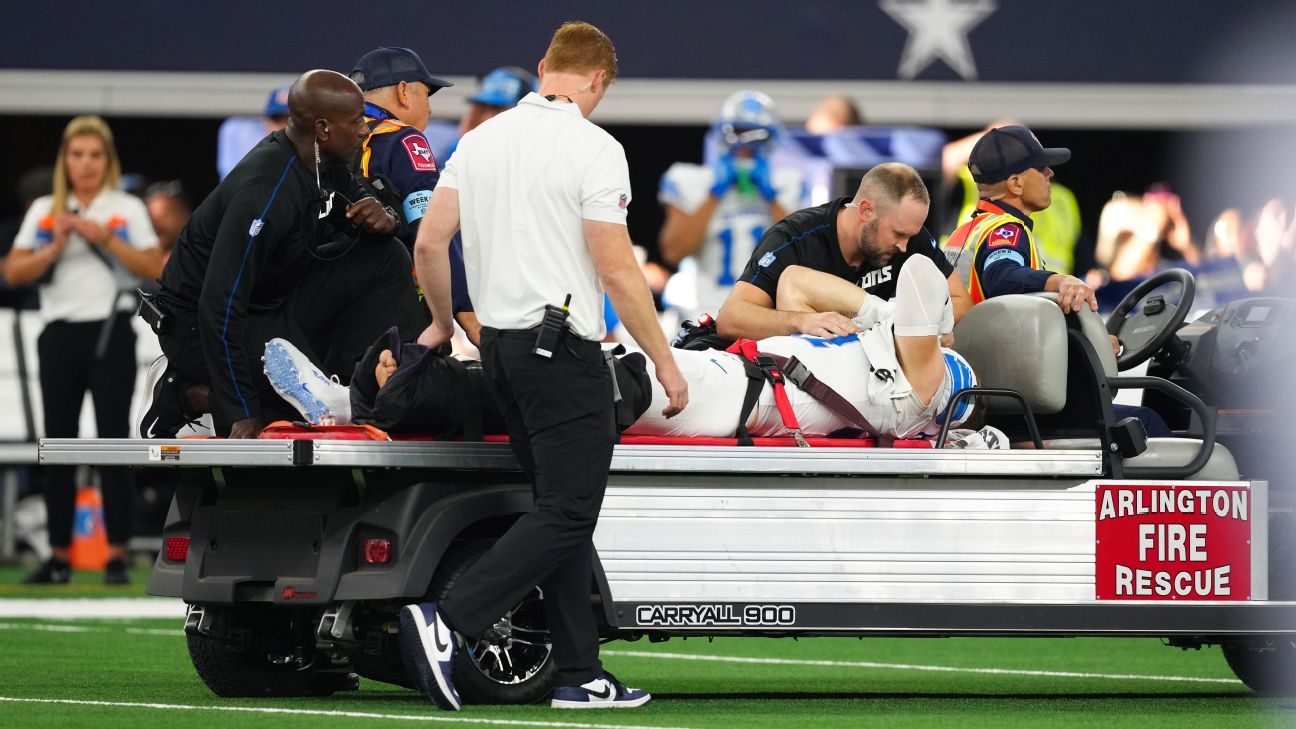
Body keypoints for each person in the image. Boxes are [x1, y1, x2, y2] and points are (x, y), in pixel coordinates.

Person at [403, 21, 687, 711]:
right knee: (566, 510)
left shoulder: (479, 141)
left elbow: (430, 245)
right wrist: (666, 363)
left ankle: (578, 672)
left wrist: (444, 323)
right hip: (560, 353)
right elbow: (618, 269)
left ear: (543, 69)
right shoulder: (595, 147)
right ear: (598, 81)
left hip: (499, 349)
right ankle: (449, 619)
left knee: (559, 510)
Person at [266, 255, 978, 443]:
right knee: (565, 379)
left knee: (586, 384)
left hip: (740, 393)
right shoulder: (896, 359)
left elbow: (921, 275)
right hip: (735, 381)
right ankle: (376, 399)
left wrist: (875, 310)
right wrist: (853, 316)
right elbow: (792, 280)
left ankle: (379, 401)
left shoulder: (921, 382)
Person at [142, 69, 399, 440]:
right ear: (323, 129)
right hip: (195, 324)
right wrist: (239, 412)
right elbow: (218, 305)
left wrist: (376, 208)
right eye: (357, 120)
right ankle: (183, 394)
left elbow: (350, 185)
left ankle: (379, 381)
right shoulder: (264, 191)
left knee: (386, 255)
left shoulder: (320, 160)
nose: (364, 129)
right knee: (282, 414)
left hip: (268, 306)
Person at [3, 116, 161, 585]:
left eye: (94, 155)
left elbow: (153, 265)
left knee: (112, 443)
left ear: (107, 161)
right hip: (60, 333)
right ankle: (58, 556)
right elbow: (13, 271)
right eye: (77, 155)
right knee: (58, 446)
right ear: (64, 161)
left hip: (111, 329)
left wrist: (104, 237)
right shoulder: (46, 210)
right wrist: (53, 247)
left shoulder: (126, 207)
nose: (85, 164)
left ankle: (115, 554)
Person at [715, 162, 971, 342]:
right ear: (866, 211)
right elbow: (730, 319)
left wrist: (925, 326)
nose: (904, 246)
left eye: (910, 236)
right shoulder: (794, 238)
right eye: (897, 234)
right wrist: (798, 322)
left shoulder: (911, 239)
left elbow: (960, 300)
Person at [658, 90, 804, 321]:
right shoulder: (693, 181)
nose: (746, 144)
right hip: (704, 311)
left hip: (766, 310)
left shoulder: (786, 183)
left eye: (757, 135)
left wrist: (771, 197)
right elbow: (674, 252)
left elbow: (800, 254)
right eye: (738, 131)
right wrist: (714, 194)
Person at [944, 125, 1098, 314]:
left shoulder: (966, 231)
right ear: (1016, 184)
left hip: (961, 342)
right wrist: (1059, 280)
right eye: (1041, 168)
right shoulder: (1005, 228)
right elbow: (1000, 275)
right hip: (988, 343)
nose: (1050, 173)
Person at [445, 66, 538, 348]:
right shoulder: (444, 161)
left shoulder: (539, 172)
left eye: (495, 111)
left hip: (519, 320)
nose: (480, 119)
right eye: (478, 107)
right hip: (456, 317)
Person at [217, 83, 292, 180]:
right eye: (277, 119)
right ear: (266, 122)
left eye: (290, 119)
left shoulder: (313, 151)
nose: (283, 126)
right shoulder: (247, 140)